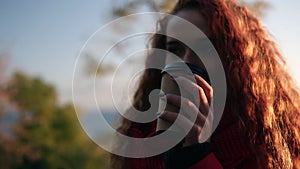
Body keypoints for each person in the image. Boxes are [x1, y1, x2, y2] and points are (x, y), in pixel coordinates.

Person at [110, 0, 300, 168]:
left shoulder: (267, 142)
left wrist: (196, 155)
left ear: (235, 57)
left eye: (205, 48)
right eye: (174, 49)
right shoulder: (140, 136)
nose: (186, 62)